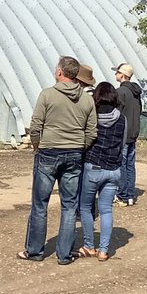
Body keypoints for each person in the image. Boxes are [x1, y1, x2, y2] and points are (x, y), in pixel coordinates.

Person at [18, 56, 97, 265]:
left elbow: (35, 126)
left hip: (48, 152)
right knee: (69, 206)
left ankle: (34, 251)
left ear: (60, 72)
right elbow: (92, 132)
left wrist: (37, 146)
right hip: (74, 153)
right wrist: (81, 146)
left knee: (40, 204)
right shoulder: (87, 99)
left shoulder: (47, 95)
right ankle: (64, 254)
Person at [78, 82, 126, 260]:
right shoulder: (122, 118)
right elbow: (122, 144)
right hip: (113, 169)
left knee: (85, 207)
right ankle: (104, 250)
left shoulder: (93, 117)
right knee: (106, 210)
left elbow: (86, 139)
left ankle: (89, 245)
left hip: (93, 167)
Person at [112, 63, 143, 206]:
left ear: (123, 75)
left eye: (117, 72)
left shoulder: (121, 92)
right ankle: (130, 195)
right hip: (133, 132)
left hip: (123, 133)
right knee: (130, 165)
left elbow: (115, 114)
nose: (115, 74)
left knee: (121, 164)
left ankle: (122, 196)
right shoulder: (136, 93)